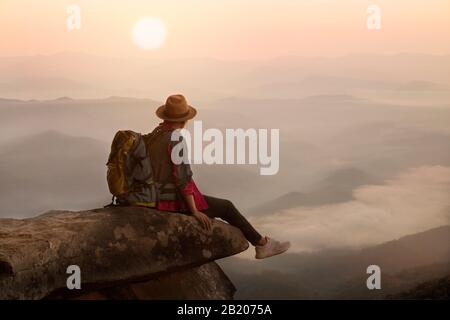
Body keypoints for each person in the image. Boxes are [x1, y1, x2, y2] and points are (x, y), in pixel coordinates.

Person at [145, 94, 290, 259]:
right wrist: (194, 211)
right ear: (185, 120)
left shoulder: (154, 135)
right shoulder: (176, 140)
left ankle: (261, 243)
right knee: (226, 207)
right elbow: (182, 178)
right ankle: (262, 244)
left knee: (218, 206)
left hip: (152, 195)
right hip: (169, 200)